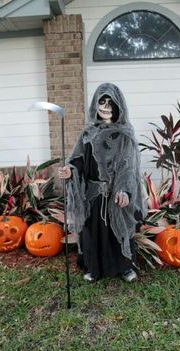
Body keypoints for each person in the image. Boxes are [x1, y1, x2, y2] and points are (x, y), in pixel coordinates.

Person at [58, 82, 146, 282]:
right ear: (95, 105)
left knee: (118, 231)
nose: (105, 107)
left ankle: (124, 267)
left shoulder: (125, 135)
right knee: (93, 231)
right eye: (102, 102)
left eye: (110, 103)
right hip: (93, 194)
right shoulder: (88, 135)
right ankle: (93, 267)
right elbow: (78, 160)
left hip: (116, 195)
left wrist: (124, 190)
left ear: (118, 107)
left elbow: (128, 167)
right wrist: (70, 171)